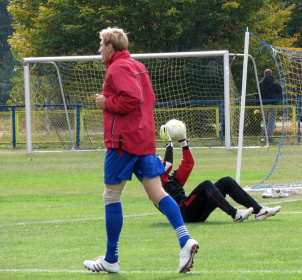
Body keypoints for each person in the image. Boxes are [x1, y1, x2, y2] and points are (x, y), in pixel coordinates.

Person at [83, 27, 198, 274]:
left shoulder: (116, 68)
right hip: (143, 139)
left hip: (123, 143)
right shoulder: (137, 66)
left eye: (101, 45)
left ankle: (111, 259)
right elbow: (149, 99)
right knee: (157, 193)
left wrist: (106, 103)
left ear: (111, 47)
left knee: (111, 197)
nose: (99, 49)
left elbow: (133, 99)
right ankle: (184, 240)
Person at [156, 138, 282, 222]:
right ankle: (235, 214)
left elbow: (189, 163)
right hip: (183, 214)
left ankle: (259, 211)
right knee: (206, 185)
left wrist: (184, 143)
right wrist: (169, 143)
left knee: (226, 181)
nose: (159, 159)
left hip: (193, 211)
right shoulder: (155, 182)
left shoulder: (169, 178)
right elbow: (167, 164)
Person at [257, 69, 282, 143]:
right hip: (273, 105)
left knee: (265, 121)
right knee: (271, 121)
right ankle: (269, 138)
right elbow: (280, 90)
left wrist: (258, 105)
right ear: (271, 75)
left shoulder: (260, 84)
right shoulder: (274, 84)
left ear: (264, 74)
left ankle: (263, 137)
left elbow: (257, 95)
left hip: (264, 105)